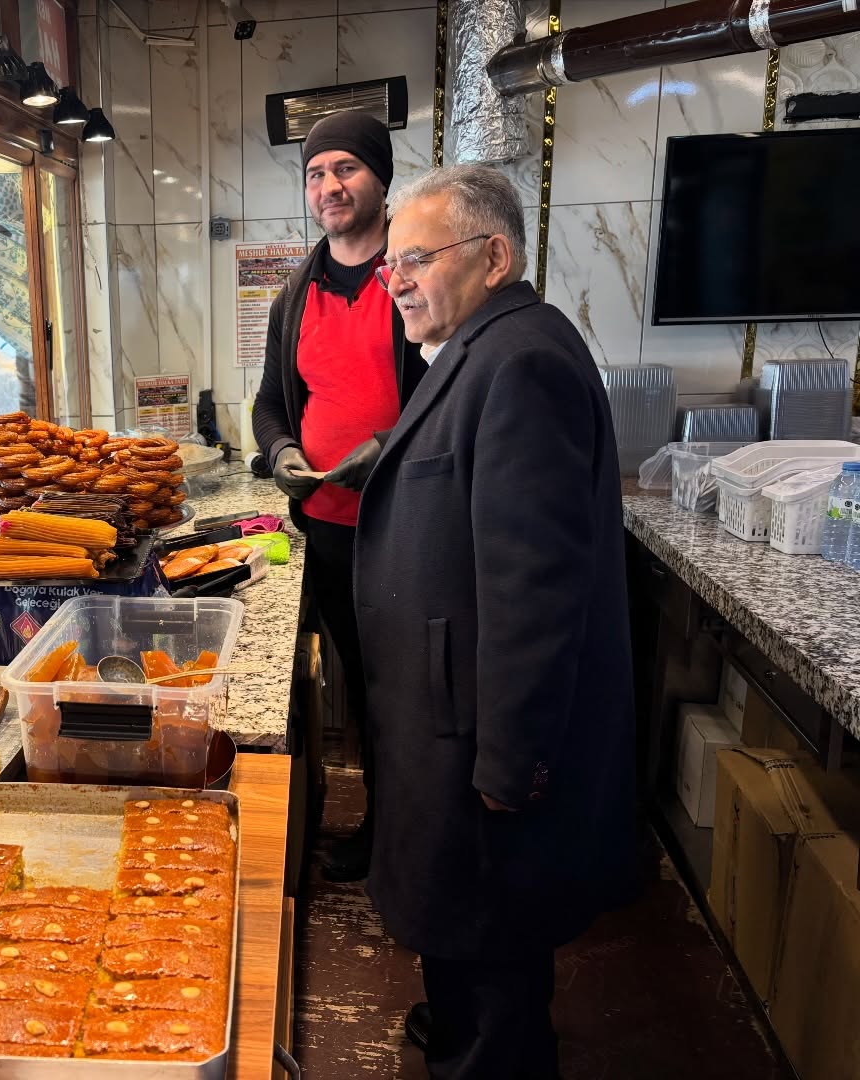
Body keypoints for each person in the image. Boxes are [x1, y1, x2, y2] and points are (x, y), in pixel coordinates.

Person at [353, 164, 635, 1079]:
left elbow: (534, 592)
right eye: (390, 263)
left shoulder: (524, 363)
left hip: (482, 730)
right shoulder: (479, 349)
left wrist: (513, 764)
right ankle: (461, 1025)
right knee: (460, 928)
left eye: (415, 258)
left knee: (493, 935)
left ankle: (492, 1058)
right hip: (447, 711)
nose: (393, 279)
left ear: (495, 256)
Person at [251, 110, 427, 882]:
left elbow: (453, 398)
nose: (330, 186)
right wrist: (283, 449)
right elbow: (268, 403)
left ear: (381, 178)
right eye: (317, 173)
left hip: (406, 530)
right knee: (359, 687)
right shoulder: (298, 290)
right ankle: (382, 827)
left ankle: (409, 840)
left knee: (409, 697)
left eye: (346, 168)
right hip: (326, 529)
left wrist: (386, 451)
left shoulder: (414, 276)